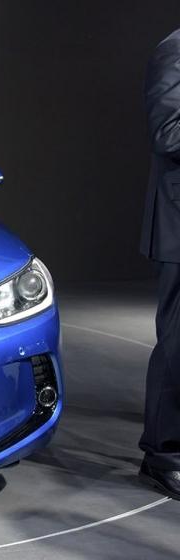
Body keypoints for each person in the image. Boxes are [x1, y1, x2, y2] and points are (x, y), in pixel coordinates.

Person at [139, 28, 180, 500]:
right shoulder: (175, 48)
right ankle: (163, 455)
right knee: (177, 345)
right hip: (178, 224)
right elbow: (167, 133)